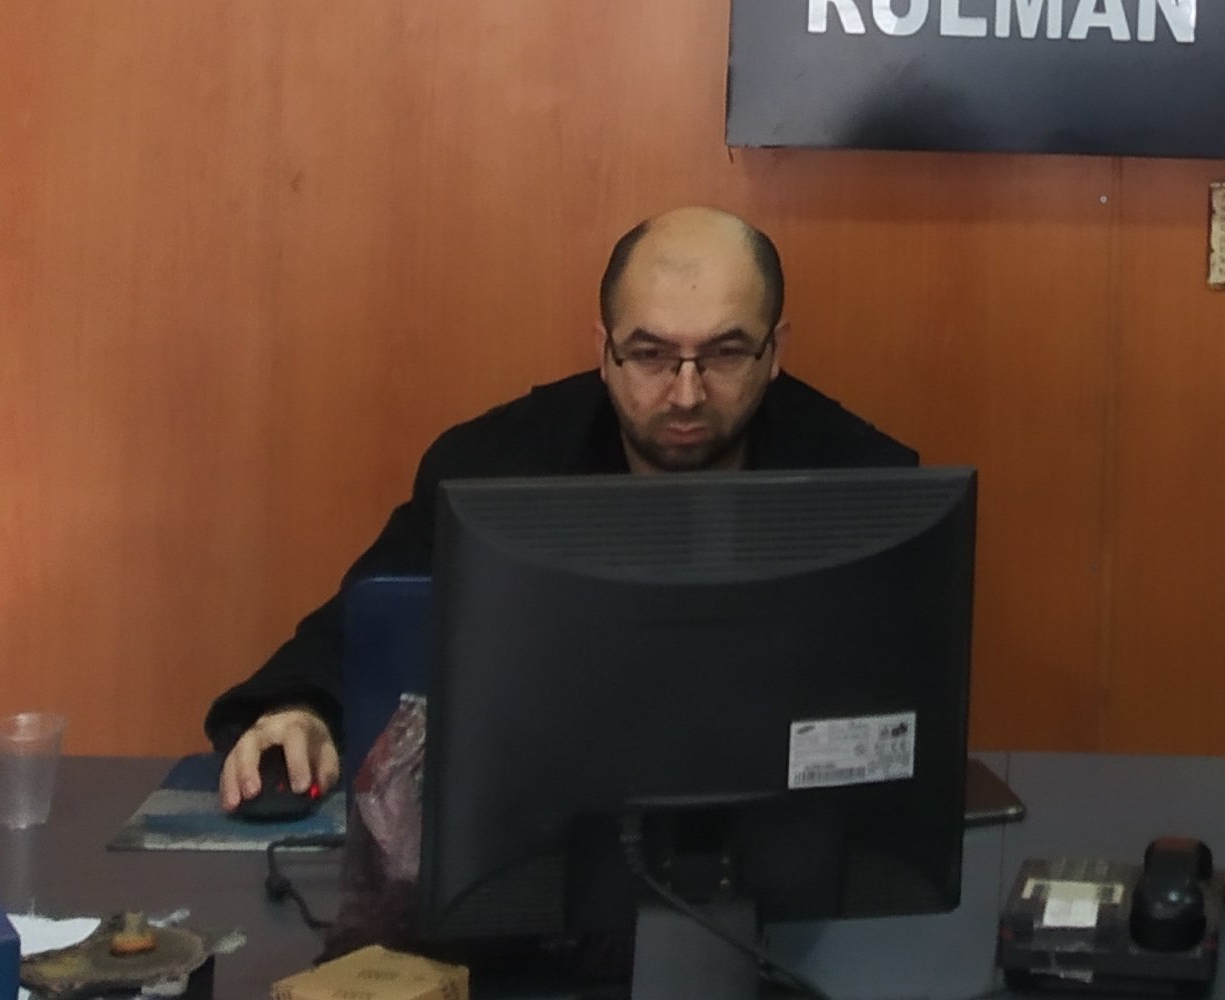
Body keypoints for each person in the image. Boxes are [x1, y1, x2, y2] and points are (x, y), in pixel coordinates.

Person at [210, 204, 911, 808]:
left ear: (775, 350)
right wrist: (301, 710)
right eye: (650, 354)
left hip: (787, 836)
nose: (686, 393)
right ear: (604, 351)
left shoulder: (862, 481)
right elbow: (374, 620)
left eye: (725, 353)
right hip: (544, 830)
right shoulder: (492, 469)